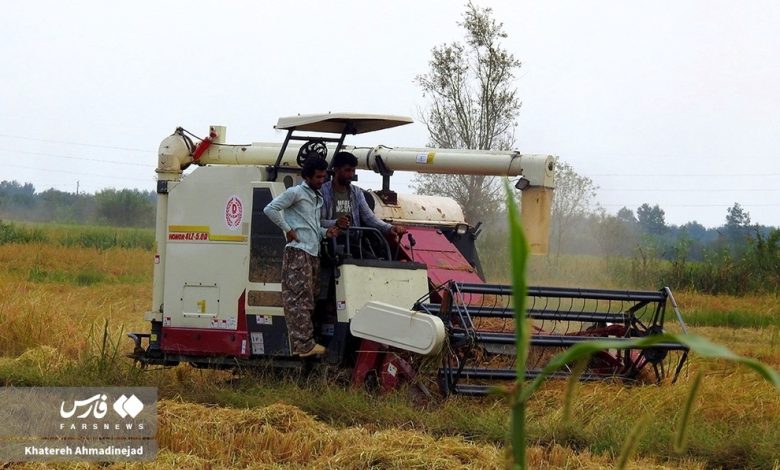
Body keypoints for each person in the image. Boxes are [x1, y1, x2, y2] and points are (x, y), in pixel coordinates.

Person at [263, 156, 338, 357]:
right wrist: (287, 229)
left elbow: (311, 226)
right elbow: (270, 209)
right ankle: (303, 345)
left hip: (312, 251)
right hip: (299, 252)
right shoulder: (295, 193)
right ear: (307, 176)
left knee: (310, 298)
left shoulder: (315, 196)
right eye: (318, 177)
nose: (322, 180)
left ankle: (306, 343)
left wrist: (325, 232)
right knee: (298, 299)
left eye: (323, 176)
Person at [321, 151, 406, 255]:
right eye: (347, 170)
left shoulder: (356, 192)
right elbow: (318, 222)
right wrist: (336, 223)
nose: (351, 174)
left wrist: (390, 228)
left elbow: (369, 218)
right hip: (329, 241)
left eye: (353, 171)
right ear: (336, 169)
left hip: (353, 242)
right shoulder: (322, 191)